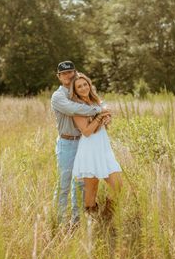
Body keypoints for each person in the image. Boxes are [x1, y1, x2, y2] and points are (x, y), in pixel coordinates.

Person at [51, 61, 110, 225]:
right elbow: (73, 110)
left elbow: (96, 100)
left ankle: (76, 221)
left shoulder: (78, 92)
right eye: (64, 74)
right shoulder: (59, 96)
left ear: (74, 72)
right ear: (59, 77)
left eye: (70, 72)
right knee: (64, 184)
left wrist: (103, 108)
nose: (68, 76)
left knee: (79, 184)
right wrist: (99, 110)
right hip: (67, 143)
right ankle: (60, 221)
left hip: (84, 143)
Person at [70, 72, 123, 215]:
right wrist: (100, 117)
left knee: (117, 184)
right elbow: (86, 131)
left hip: (104, 149)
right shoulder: (77, 108)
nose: (83, 88)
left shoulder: (97, 103)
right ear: (75, 91)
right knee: (91, 189)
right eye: (79, 86)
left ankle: (107, 214)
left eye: (84, 84)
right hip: (89, 150)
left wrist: (107, 119)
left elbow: (102, 124)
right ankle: (91, 221)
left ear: (89, 85)